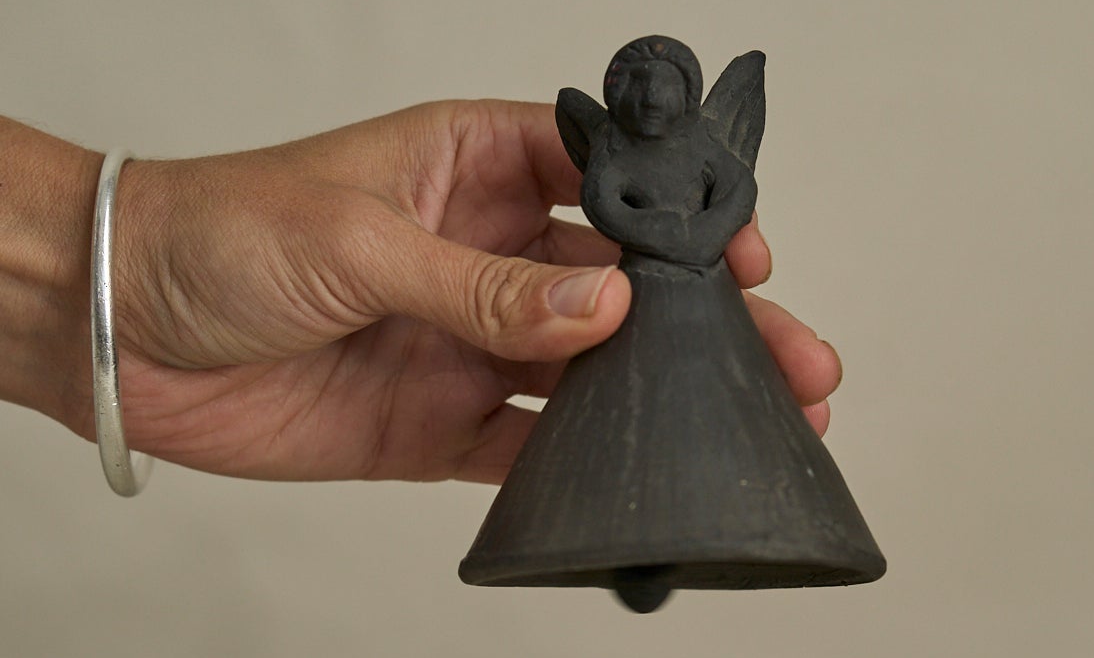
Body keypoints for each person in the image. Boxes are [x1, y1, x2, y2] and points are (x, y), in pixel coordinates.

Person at [0, 102, 840, 486]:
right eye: (642, 81)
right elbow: (605, 197)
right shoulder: (613, 156)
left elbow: (730, 189)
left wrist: (99, 291)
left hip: (683, 278)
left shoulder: (702, 151)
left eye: (669, 81)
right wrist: (121, 266)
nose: (655, 94)